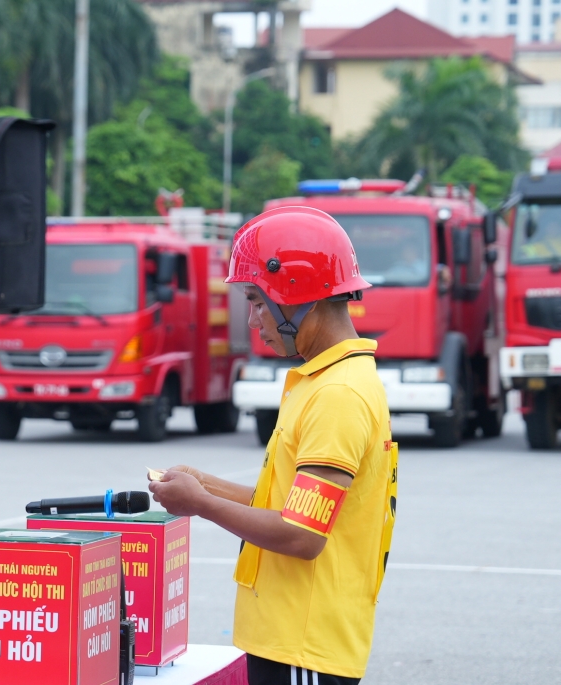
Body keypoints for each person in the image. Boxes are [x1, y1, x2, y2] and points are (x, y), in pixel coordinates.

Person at [149, 206, 398, 684]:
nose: (253, 319)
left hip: (304, 645)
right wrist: (206, 485)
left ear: (298, 297)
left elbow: (301, 535)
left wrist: (199, 505)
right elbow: (289, 506)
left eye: (258, 301)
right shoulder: (323, 380)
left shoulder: (337, 395)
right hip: (288, 638)